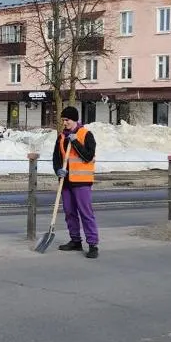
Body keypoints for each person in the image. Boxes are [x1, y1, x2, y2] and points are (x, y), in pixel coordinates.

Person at [51, 106, 99, 258]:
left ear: (75, 120)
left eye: (67, 120)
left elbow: (88, 156)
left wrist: (76, 142)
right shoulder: (61, 137)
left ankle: (92, 244)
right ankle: (75, 240)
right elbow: (56, 158)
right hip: (66, 182)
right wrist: (59, 170)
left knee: (86, 213)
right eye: (63, 120)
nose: (64, 123)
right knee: (70, 213)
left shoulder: (86, 134)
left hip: (82, 181)